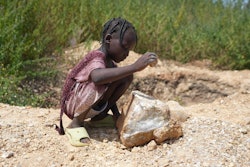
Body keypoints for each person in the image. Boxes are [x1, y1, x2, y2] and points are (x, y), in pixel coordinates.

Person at [55, 17, 157, 146]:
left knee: (125, 76)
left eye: (129, 51)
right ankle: (76, 125)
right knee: (98, 83)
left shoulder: (110, 62)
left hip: (87, 104)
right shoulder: (96, 57)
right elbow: (97, 78)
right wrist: (134, 67)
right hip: (73, 104)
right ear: (108, 39)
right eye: (125, 47)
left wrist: (116, 115)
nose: (126, 54)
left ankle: (99, 117)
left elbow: (112, 84)